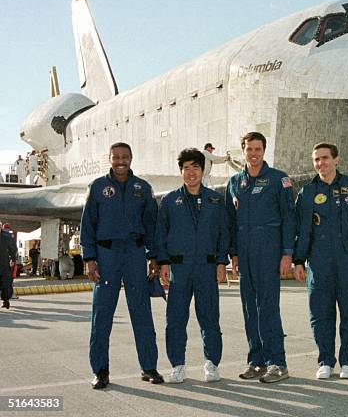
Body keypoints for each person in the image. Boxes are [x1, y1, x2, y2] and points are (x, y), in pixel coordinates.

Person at [80, 142, 164, 389]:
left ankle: (149, 367)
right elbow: (88, 225)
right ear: (109, 158)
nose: (120, 161)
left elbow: (152, 226)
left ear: (131, 158)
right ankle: (101, 371)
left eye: (125, 156)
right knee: (102, 315)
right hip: (107, 256)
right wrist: (89, 259)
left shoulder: (143, 188)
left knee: (142, 313)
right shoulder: (97, 187)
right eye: (116, 157)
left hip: (135, 255)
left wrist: (153, 257)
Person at [293, 143, 348, 380]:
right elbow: (301, 229)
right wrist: (299, 260)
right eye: (316, 159)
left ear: (336, 159)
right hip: (318, 260)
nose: (321, 163)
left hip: (347, 258)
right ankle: (325, 361)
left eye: (325, 158)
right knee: (320, 313)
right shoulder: (307, 193)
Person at [225, 132, 295, 383]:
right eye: (249, 149)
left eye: (258, 149)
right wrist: (233, 254)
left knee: (267, 308)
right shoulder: (234, 182)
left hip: (269, 252)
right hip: (244, 254)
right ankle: (256, 362)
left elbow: (289, 218)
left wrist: (287, 253)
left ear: (264, 151)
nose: (254, 154)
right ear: (242, 151)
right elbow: (230, 223)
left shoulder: (279, 179)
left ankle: (277, 362)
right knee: (249, 310)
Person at [156, 148, 229, 383]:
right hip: (179, 268)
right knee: (176, 319)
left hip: (207, 267)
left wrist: (221, 262)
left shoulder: (216, 200)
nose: (191, 172)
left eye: (195, 167)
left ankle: (212, 364)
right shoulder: (169, 201)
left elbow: (223, 234)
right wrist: (163, 263)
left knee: (210, 318)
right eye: (186, 168)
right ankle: (177, 365)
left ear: (203, 170)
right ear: (180, 171)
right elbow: (160, 234)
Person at [0, 222, 17, 309]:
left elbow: (13, 249)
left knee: (5, 284)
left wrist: (13, 259)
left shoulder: (7, 236)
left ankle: (6, 301)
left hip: (4, 264)